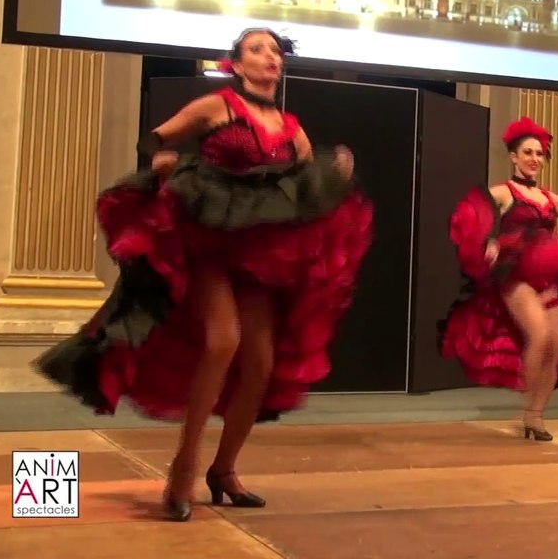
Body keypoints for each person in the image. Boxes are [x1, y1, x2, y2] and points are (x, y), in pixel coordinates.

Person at [33, 28, 374, 521]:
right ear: (236, 63)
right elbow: (156, 137)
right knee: (221, 342)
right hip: (209, 240)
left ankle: (225, 469)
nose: (269, 58)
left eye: (276, 52)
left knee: (260, 361)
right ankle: (183, 469)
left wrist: (335, 171)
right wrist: (161, 157)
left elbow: (307, 178)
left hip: (259, 254)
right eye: (258, 50)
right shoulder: (217, 106)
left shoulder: (289, 124)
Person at [440, 117, 558, 441]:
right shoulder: (504, 192)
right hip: (515, 277)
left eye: (539, 153)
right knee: (538, 335)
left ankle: (534, 416)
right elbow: (473, 213)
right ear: (514, 156)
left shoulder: (550, 199)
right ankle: (527, 396)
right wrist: (489, 241)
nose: (535, 158)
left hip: (548, 279)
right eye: (528, 152)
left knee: (557, 346)